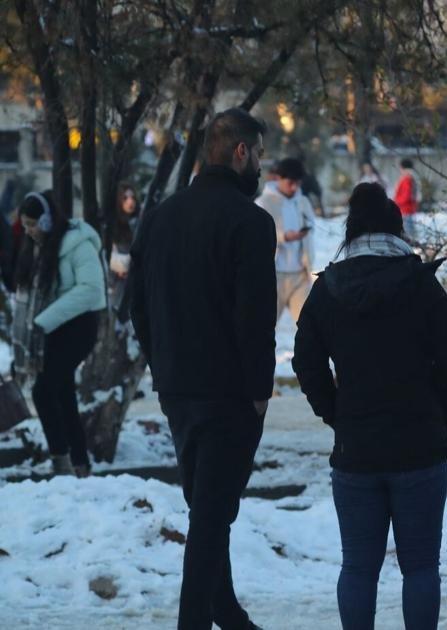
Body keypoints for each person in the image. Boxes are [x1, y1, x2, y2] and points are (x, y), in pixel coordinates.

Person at [292, 182, 447, 630]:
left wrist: (335, 413)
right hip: (420, 445)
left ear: (351, 230)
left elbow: (306, 361)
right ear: (397, 230)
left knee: (358, 567)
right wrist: (436, 411)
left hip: (356, 450)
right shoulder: (421, 284)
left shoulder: (327, 289)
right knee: (421, 567)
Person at [129, 108, 276, 630]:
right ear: (240, 152)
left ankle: (225, 610)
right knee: (212, 518)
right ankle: (195, 619)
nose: (260, 166)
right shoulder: (249, 222)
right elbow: (254, 317)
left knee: (208, 506)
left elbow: (137, 305)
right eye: (259, 154)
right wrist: (259, 391)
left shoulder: (160, 217)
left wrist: (162, 364)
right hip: (228, 393)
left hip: (178, 389)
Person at [10, 191, 105, 477]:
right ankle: (80, 464)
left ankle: (61, 463)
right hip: (53, 327)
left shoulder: (78, 243)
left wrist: (42, 321)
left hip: (79, 326)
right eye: (25, 225)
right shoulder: (39, 246)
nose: (29, 231)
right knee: (63, 393)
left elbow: (91, 290)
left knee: (43, 391)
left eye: (32, 224)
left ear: (48, 220)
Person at [257, 157, 317, 325]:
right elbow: (256, 237)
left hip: (300, 275)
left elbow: (311, 229)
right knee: (263, 326)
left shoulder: (303, 202)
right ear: (279, 178)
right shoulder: (263, 203)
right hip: (273, 276)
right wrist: (283, 237)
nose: (294, 188)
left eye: (298, 183)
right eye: (290, 182)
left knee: (310, 325)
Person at [108, 183, 140, 304]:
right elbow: (108, 257)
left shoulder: (141, 222)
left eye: (132, 197)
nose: (130, 201)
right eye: (125, 198)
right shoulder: (113, 226)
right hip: (118, 284)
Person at [392, 158, 421, 238]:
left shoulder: (407, 179)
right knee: (410, 232)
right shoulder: (412, 177)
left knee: (408, 234)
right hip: (408, 209)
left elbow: (406, 196)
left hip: (405, 209)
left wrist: (395, 202)